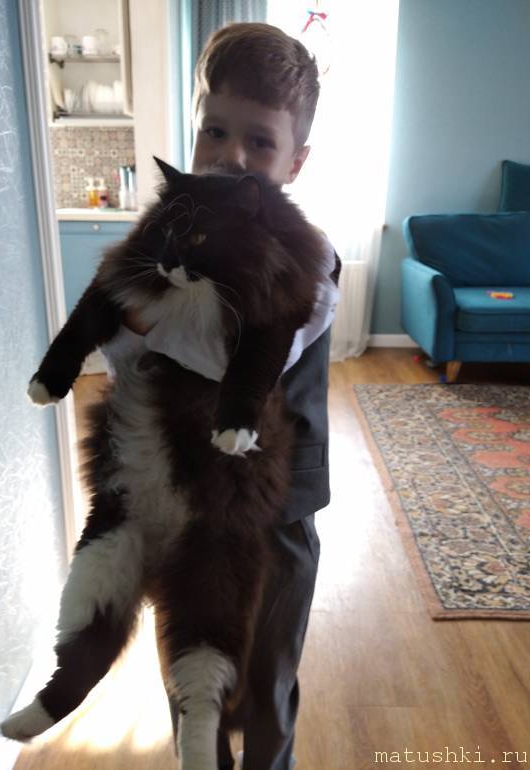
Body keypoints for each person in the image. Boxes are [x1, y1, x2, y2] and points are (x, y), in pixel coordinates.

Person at [116, 22, 340, 770]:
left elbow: (234, 360)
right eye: (215, 131)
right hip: (184, 501)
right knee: (190, 676)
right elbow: (122, 353)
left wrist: (142, 313)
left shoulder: (311, 258)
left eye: (260, 142)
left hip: (278, 514)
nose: (231, 156)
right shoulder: (172, 240)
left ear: (296, 161)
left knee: (268, 678)